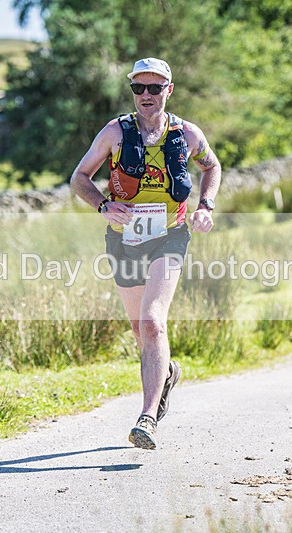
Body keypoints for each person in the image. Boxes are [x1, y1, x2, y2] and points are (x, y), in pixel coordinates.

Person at [70, 58, 221, 450]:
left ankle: (148, 417)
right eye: (140, 89)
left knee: (153, 322)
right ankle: (166, 373)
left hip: (170, 235)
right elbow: (79, 177)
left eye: (155, 88)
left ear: (169, 90)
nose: (147, 96)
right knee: (139, 330)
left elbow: (212, 166)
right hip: (123, 239)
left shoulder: (186, 134)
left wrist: (206, 205)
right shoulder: (115, 133)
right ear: (133, 92)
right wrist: (104, 205)